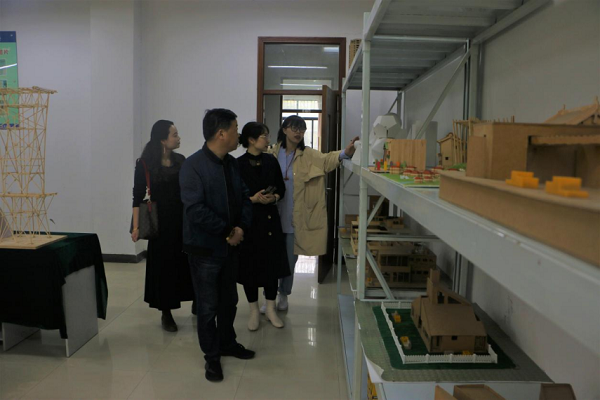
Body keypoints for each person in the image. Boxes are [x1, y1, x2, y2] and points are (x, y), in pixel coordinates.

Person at [179, 108, 254, 383]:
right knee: (208, 306)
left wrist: (241, 227)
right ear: (221, 133)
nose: (238, 134)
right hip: (205, 250)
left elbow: (245, 198)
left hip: (230, 248)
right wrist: (227, 231)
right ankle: (212, 357)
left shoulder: (231, 164)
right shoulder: (193, 166)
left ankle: (227, 343)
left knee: (229, 301)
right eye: (235, 129)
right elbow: (194, 209)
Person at [265, 115, 358, 312]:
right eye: (294, 128)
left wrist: (345, 152)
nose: (298, 132)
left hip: (295, 218)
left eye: (302, 129)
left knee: (289, 260)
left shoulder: (308, 154)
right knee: (269, 260)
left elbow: (327, 160)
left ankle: (283, 294)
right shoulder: (271, 152)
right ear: (284, 129)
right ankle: (269, 298)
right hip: (271, 216)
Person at [131, 120, 195, 332]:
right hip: (159, 224)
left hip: (182, 220)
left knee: (186, 263)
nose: (178, 138)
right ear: (162, 139)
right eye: (174, 134)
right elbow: (137, 196)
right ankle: (166, 311)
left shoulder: (181, 160)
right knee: (164, 267)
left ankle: (196, 300)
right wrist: (136, 227)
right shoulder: (145, 164)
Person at [237, 122, 290, 331]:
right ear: (251, 140)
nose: (268, 140)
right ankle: (253, 310)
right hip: (249, 222)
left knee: (271, 267)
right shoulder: (237, 164)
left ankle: (270, 309)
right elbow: (234, 195)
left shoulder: (270, 160)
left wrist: (273, 197)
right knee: (250, 267)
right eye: (264, 136)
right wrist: (252, 199)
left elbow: (281, 188)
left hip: (270, 220)